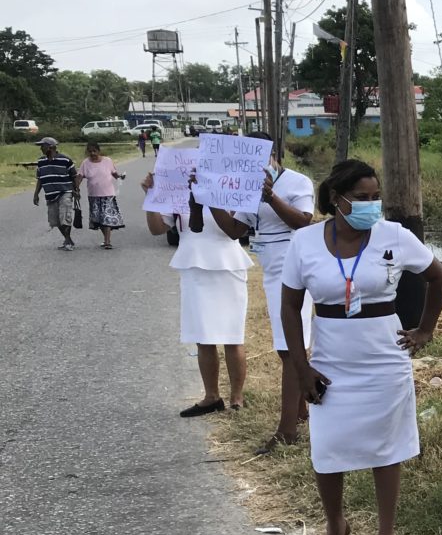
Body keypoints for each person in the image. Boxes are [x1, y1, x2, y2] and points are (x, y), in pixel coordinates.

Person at [281, 159, 442, 535]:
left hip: (383, 359)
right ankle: (336, 524)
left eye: (376, 197)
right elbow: (289, 305)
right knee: (327, 447)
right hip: (331, 360)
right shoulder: (304, 242)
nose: (371, 206)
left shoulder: (394, 235)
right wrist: (302, 368)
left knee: (385, 449)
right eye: (362, 198)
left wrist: (425, 330)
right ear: (336, 199)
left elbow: (439, 277)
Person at [205, 132, 316, 454]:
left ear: (273, 155)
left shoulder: (296, 182)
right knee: (286, 348)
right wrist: (211, 197)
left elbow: (304, 222)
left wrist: (271, 198)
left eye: (256, 156)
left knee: (291, 348)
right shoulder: (243, 185)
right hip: (271, 271)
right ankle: (301, 410)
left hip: (296, 269)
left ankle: (287, 430)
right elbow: (235, 231)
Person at [142, 169, 250, 416]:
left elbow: (235, 228)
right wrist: (151, 196)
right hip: (193, 264)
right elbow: (157, 229)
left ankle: (237, 396)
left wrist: (207, 192)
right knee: (203, 335)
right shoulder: (177, 192)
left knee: (233, 335)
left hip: (228, 264)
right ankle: (211, 396)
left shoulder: (229, 187)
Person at [76, 142, 127, 249]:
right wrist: (76, 189)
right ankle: (106, 240)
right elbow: (80, 176)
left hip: (107, 194)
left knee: (106, 218)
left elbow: (113, 172)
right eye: (90, 151)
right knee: (98, 219)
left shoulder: (107, 161)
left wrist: (119, 176)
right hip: (93, 195)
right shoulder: (85, 163)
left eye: (94, 151)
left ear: (99, 151)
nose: (92, 153)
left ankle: (107, 242)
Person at [32, 138, 78, 250]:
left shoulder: (65, 160)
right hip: (50, 194)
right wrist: (36, 194)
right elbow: (40, 178)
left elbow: (74, 176)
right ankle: (69, 239)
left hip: (65, 192)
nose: (41, 148)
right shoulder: (41, 161)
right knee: (55, 221)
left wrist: (76, 190)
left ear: (51, 147)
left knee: (64, 217)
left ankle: (67, 242)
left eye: (43, 146)